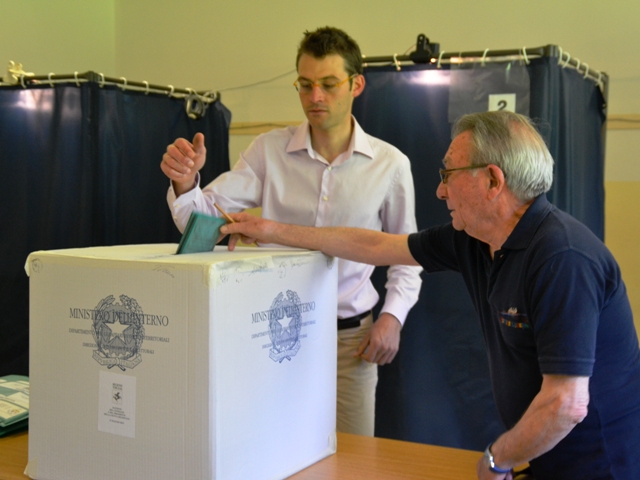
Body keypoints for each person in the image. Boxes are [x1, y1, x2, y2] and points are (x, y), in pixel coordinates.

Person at [220, 110, 640, 479]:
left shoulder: (562, 258)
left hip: (602, 466)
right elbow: (375, 245)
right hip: (548, 457)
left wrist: (498, 459)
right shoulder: (475, 240)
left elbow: (566, 403)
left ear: (492, 180)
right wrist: (272, 230)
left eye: (449, 174)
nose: (440, 191)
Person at [160, 26, 422, 437]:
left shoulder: (390, 165)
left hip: (350, 340)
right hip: (272, 332)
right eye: (305, 84)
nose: (315, 96)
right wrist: (185, 182)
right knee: (270, 444)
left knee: (353, 454)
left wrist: (392, 317)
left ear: (356, 85)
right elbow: (202, 218)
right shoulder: (269, 151)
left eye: (328, 84)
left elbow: (407, 256)